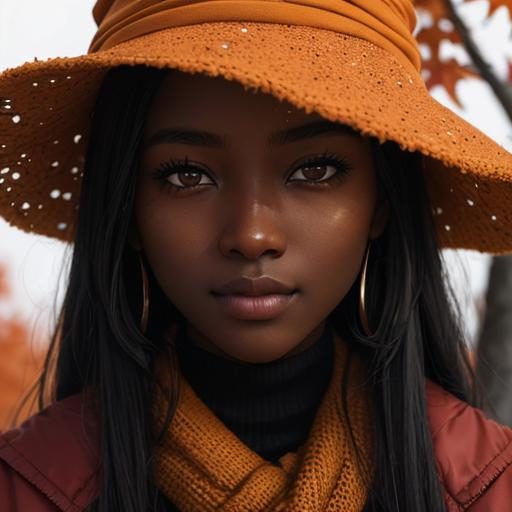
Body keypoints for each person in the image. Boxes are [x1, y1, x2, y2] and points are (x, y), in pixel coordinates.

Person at [0, 1, 512, 511]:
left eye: (315, 171)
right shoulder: (24, 491)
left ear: (382, 202)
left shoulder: (491, 489)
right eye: (187, 175)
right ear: (126, 206)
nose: (251, 234)